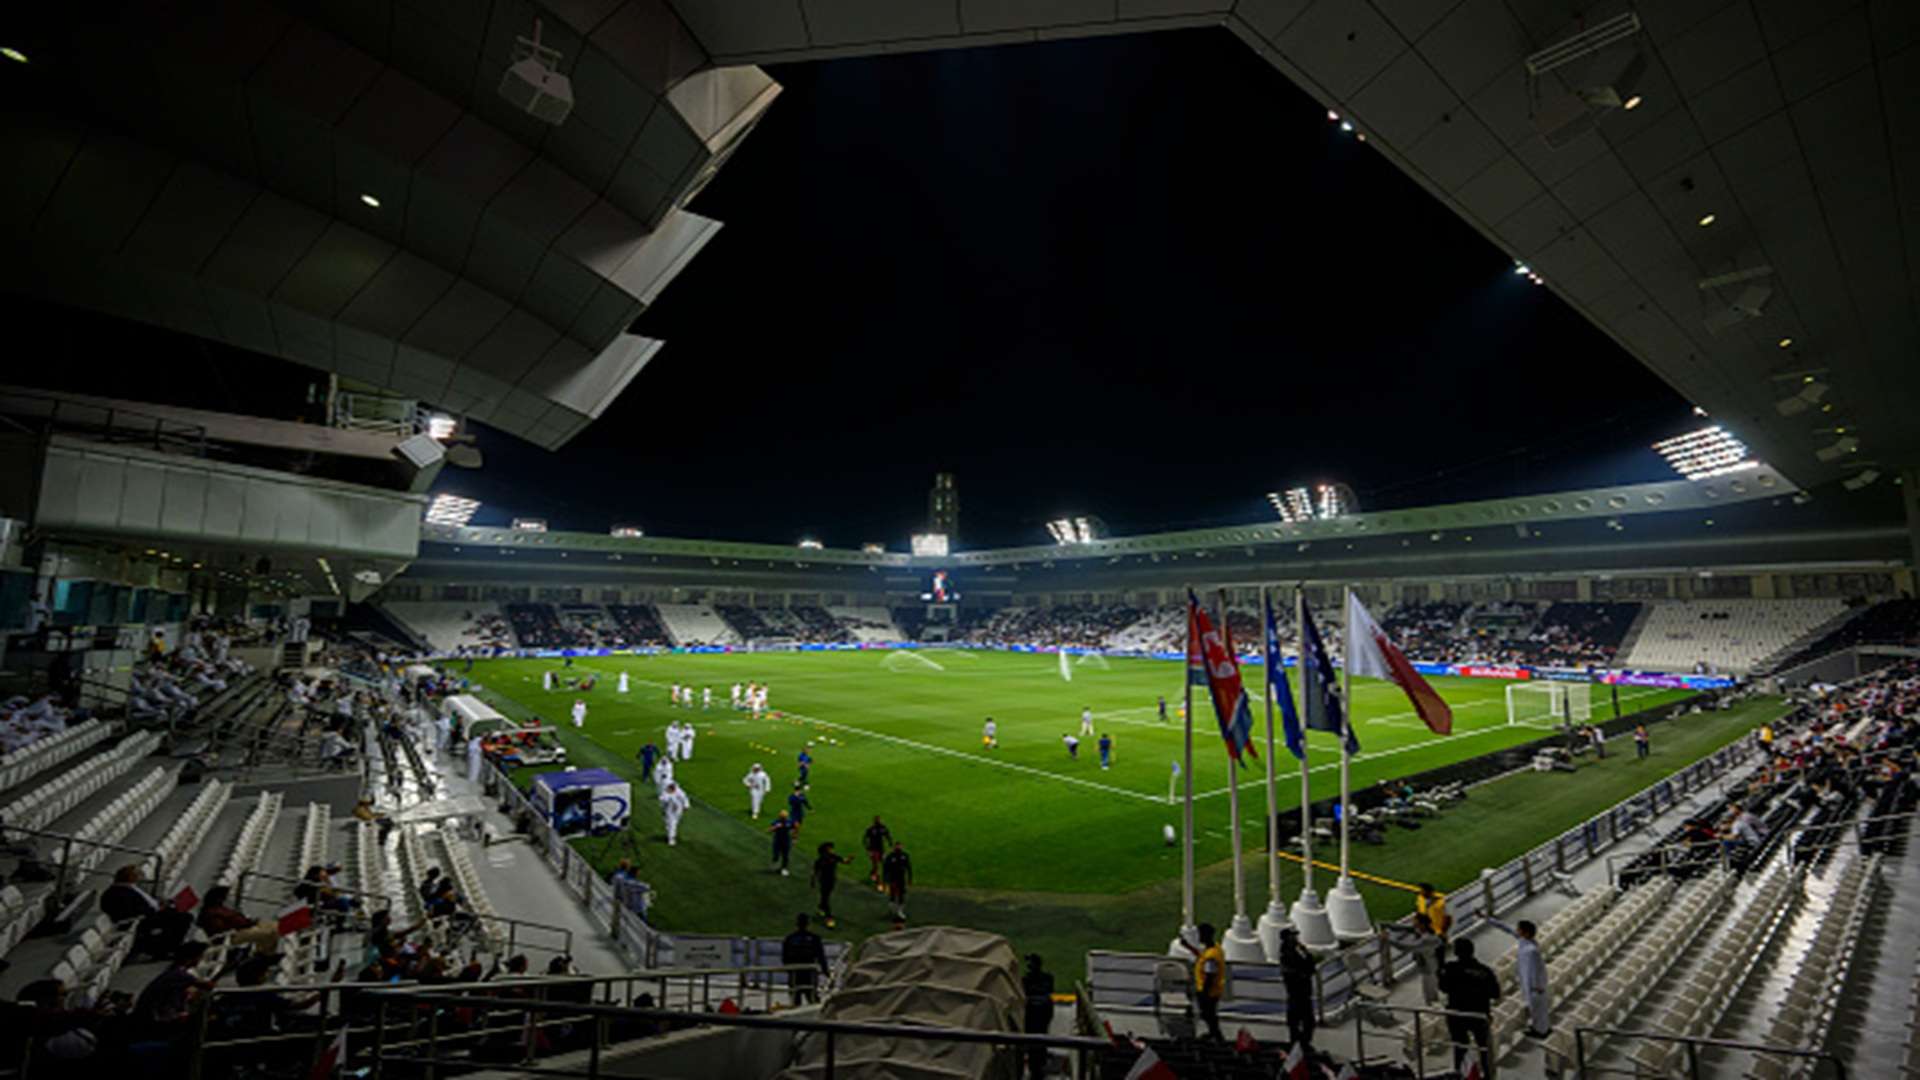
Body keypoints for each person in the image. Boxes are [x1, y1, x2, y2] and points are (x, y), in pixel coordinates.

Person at [1437, 938, 1500, 1078]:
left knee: (1460, 1048)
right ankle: (1488, 1075)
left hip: (1457, 1016)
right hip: (1479, 1015)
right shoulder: (1485, 970)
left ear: (1456, 952)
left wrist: (1440, 970)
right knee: (1484, 1048)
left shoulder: (1451, 968)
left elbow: (1443, 988)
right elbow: (1495, 993)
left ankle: (1461, 1075)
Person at [101, 864, 194, 959]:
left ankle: (169, 946)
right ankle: (164, 949)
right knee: (183, 918)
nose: (141, 876)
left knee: (181, 912)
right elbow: (129, 911)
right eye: (138, 874)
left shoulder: (131, 887)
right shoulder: (116, 893)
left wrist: (160, 903)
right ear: (130, 877)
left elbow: (145, 901)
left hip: (153, 912)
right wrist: (156, 909)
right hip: (142, 920)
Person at [196, 884, 281, 956]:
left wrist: (249, 922)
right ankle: (262, 956)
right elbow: (222, 929)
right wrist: (243, 924)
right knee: (268, 934)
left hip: (245, 925)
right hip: (233, 935)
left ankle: (264, 952)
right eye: (224, 897)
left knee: (276, 926)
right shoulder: (211, 913)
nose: (226, 899)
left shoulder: (220, 908)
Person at [1179, 923, 1227, 1040]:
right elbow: (1201, 957)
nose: (1199, 937)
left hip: (1208, 991)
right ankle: (1214, 1034)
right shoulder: (1215, 948)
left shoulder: (1211, 956)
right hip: (1212, 990)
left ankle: (1217, 1036)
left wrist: (1204, 994)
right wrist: (1189, 947)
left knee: (1208, 1015)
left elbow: (1210, 975)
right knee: (1209, 1015)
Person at [1384, 912, 1444, 1005]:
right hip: (1428, 967)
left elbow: (1406, 947)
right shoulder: (1423, 931)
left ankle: (1435, 1012)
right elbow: (1403, 928)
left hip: (1430, 969)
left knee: (1430, 995)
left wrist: (1388, 939)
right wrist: (1387, 924)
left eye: (1416, 923)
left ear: (1422, 924)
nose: (1414, 925)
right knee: (1430, 993)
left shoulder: (1427, 939)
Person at [1277, 927, 1317, 1050]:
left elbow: (1310, 965)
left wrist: (1305, 952)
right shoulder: (1287, 954)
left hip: (1303, 992)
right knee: (1298, 1022)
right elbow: (1293, 972)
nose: (1296, 938)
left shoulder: (1298, 950)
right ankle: (1298, 1044)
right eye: (1293, 936)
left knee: (1307, 1022)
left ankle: (1302, 1043)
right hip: (1296, 993)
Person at [781, 914, 830, 1005]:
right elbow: (821, 957)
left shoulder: (789, 938)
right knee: (813, 1000)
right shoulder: (814, 938)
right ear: (808, 924)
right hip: (809, 974)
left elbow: (784, 959)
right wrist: (826, 972)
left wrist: (790, 970)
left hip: (795, 974)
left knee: (795, 1003)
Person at [1022, 954, 1056, 1079]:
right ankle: (1038, 1064)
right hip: (1041, 1013)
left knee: (1035, 1040)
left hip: (1036, 1014)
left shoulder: (1027, 980)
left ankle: (1037, 1065)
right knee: (1039, 1039)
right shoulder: (1047, 978)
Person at [810, 842, 852, 928]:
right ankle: (829, 917)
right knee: (825, 897)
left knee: (825, 896)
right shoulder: (820, 860)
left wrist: (849, 859)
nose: (832, 850)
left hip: (832, 880)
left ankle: (821, 908)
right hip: (824, 880)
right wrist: (813, 881)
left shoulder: (834, 857)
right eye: (830, 848)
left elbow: (844, 861)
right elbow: (815, 872)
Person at [881, 841, 912, 920]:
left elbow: (908, 868)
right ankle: (892, 909)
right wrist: (885, 879)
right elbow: (885, 869)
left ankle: (899, 911)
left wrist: (909, 878)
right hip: (893, 878)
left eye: (900, 846)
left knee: (901, 895)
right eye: (897, 846)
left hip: (901, 879)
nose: (898, 847)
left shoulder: (904, 856)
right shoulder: (890, 856)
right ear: (894, 847)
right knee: (893, 894)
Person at [659, 781, 690, 846]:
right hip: (669, 811)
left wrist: (686, 805)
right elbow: (663, 800)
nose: (671, 787)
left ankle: (671, 834)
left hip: (678, 810)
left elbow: (684, 798)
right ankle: (671, 838)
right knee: (671, 824)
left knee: (674, 823)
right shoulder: (665, 793)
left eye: (672, 786)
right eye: (670, 786)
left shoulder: (679, 791)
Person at [863, 816, 892, 885]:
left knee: (884, 862)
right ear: (875, 821)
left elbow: (887, 834)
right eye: (877, 821)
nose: (879, 822)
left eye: (879, 820)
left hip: (881, 849)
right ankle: (877, 880)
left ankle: (876, 875)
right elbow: (865, 838)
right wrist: (867, 848)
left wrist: (890, 842)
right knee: (876, 864)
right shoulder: (871, 829)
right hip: (873, 849)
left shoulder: (882, 827)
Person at [770, 810, 797, 876]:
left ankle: (784, 869)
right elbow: (769, 830)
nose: (783, 818)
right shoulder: (776, 822)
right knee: (776, 854)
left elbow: (795, 828)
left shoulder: (790, 822)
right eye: (782, 817)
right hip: (777, 840)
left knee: (785, 856)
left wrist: (794, 838)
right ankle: (775, 865)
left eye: (784, 817)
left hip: (786, 840)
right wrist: (776, 827)